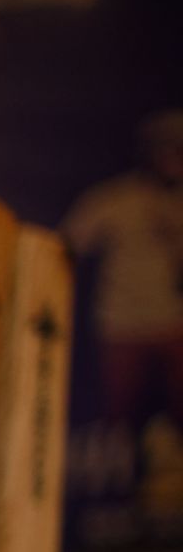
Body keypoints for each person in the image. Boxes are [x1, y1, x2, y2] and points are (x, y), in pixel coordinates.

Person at [62, 109, 183, 438]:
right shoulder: (115, 199)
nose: (174, 157)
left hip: (174, 319)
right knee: (121, 412)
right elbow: (67, 246)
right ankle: (120, 477)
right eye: (168, 148)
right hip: (122, 321)